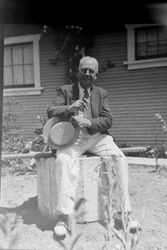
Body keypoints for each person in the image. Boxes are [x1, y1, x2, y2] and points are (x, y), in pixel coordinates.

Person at [47, 56, 139, 238]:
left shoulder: (101, 93)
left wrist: (88, 121)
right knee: (64, 160)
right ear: (77, 72)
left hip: (97, 137)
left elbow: (108, 120)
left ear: (96, 75)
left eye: (91, 71)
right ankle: (64, 217)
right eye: (84, 70)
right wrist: (69, 108)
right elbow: (51, 110)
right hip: (72, 137)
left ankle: (125, 213)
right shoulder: (65, 90)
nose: (87, 74)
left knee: (118, 158)